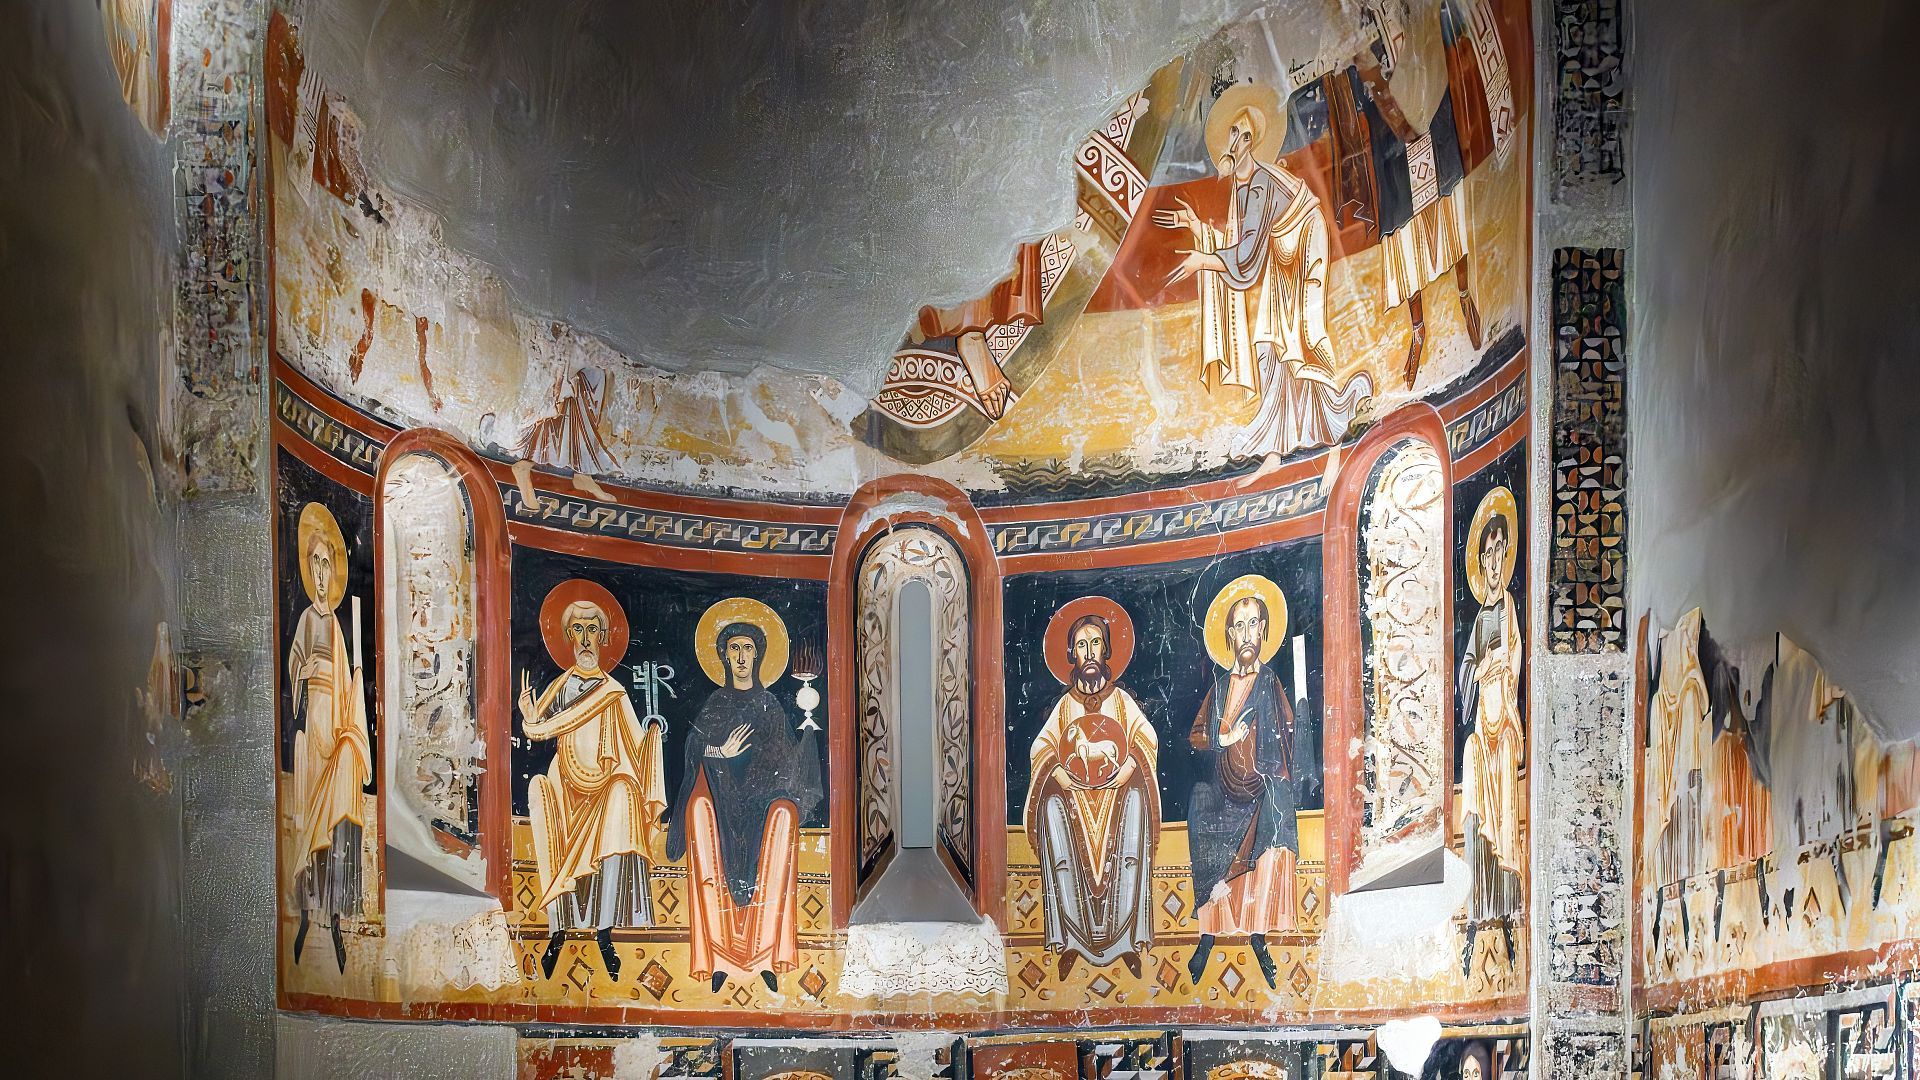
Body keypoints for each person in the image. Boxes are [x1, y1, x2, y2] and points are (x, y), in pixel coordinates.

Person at [1160, 82, 1373, 490]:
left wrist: (1205, 260)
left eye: (1244, 135)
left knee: (1306, 335)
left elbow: (1245, 256)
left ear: (1253, 140)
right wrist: (1196, 229)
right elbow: (1242, 244)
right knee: (1272, 342)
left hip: (1306, 239)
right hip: (1280, 245)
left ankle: (1334, 446)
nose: (1237, 142)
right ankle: (1274, 454)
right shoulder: (1241, 187)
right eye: (1232, 135)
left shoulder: (1258, 183)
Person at [667, 617, 821, 994]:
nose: (740, 657)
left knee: (784, 815)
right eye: (734, 649)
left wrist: (805, 743)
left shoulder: (770, 706)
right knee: (698, 813)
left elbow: (783, 763)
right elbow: (691, 749)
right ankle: (718, 957)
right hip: (720, 802)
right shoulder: (716, 704)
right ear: (723, 656)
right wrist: (721, 751)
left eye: (747, 649)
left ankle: (766, 954)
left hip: (761, 804)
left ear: (758, 656)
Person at [520, 588, 667, 981]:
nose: (585, 639)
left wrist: (652, 735)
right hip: (565, 784)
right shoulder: (560, 689)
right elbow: (536, 728)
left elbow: (636, 746)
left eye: (592, 630)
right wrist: (529, 716)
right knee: (537, 788)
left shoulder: (614, 693)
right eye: (578, 630)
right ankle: (558, 931)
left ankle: (604, 932)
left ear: (603, 638)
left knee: (623, 791)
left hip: (604, 789)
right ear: (569, 637)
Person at [1185, 586, 1319, 990]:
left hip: (1260, 788)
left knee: (1276, 808)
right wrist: (1222, 739)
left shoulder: (1271, 681)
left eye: (1252, 625)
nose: (1245, 635)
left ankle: (1258, 936)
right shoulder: (1222, 687)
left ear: (1263, 631)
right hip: (1225, 786)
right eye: (1237, 627)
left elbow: (1289, 738)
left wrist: (1302, 718)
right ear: (1229, 637)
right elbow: (1196, 735)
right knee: (1198, 802)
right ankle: (1208, 934)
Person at [1025, 611, 1161, 980]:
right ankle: (1072, 941)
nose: (1089, 653)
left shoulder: (1120, 700)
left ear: (1106, 650)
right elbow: (1042, 747)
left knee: (1137, 803)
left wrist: (1131, 767)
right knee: (1050, 807)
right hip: (1075, 801)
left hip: (1116, 796)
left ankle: (1125, 942)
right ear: (1072, 653)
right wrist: (1056, 773)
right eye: (1081, 645)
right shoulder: (1065, 706)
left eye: (1095, 643)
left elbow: (1146, 737)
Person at [287, 503, 371, 974]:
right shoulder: (305, 620)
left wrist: (356, 680)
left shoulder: (339, 629)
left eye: (327, 565)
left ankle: (336, 912)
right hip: (310, 734)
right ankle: (305, 912)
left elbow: (346, 695)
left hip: (334, 730)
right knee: (311, 805)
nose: (321, 575)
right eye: (315, 564)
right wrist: (307, 672)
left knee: (344, 790)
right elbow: (296, 672)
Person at [1456, 492, 1523, 975]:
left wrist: (1499, 667)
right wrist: (1476, 670)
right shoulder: (1480, 619)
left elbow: (1515, 661)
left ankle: (1510, 916)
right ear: (1480, 562)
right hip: (1484, 723)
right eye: (1488, 553)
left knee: (1502, 788)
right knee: (1474, 784)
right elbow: (1467, 669)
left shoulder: (1510, 611)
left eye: (1501, 551)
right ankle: (1478, 916)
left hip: (1509, 726)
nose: (1494, 561)